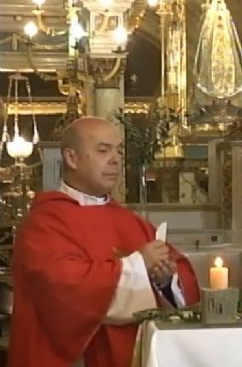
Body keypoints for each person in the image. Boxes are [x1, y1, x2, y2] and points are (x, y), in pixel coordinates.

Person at [9, 117, 201, 367]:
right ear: (72, 158)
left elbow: (182, 275)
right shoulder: (45, 222)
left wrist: (165, 281)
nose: (116, 159)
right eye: (103, 150)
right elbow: (62, 289)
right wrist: (139, 265)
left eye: (119, 151)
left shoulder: (130, 221)